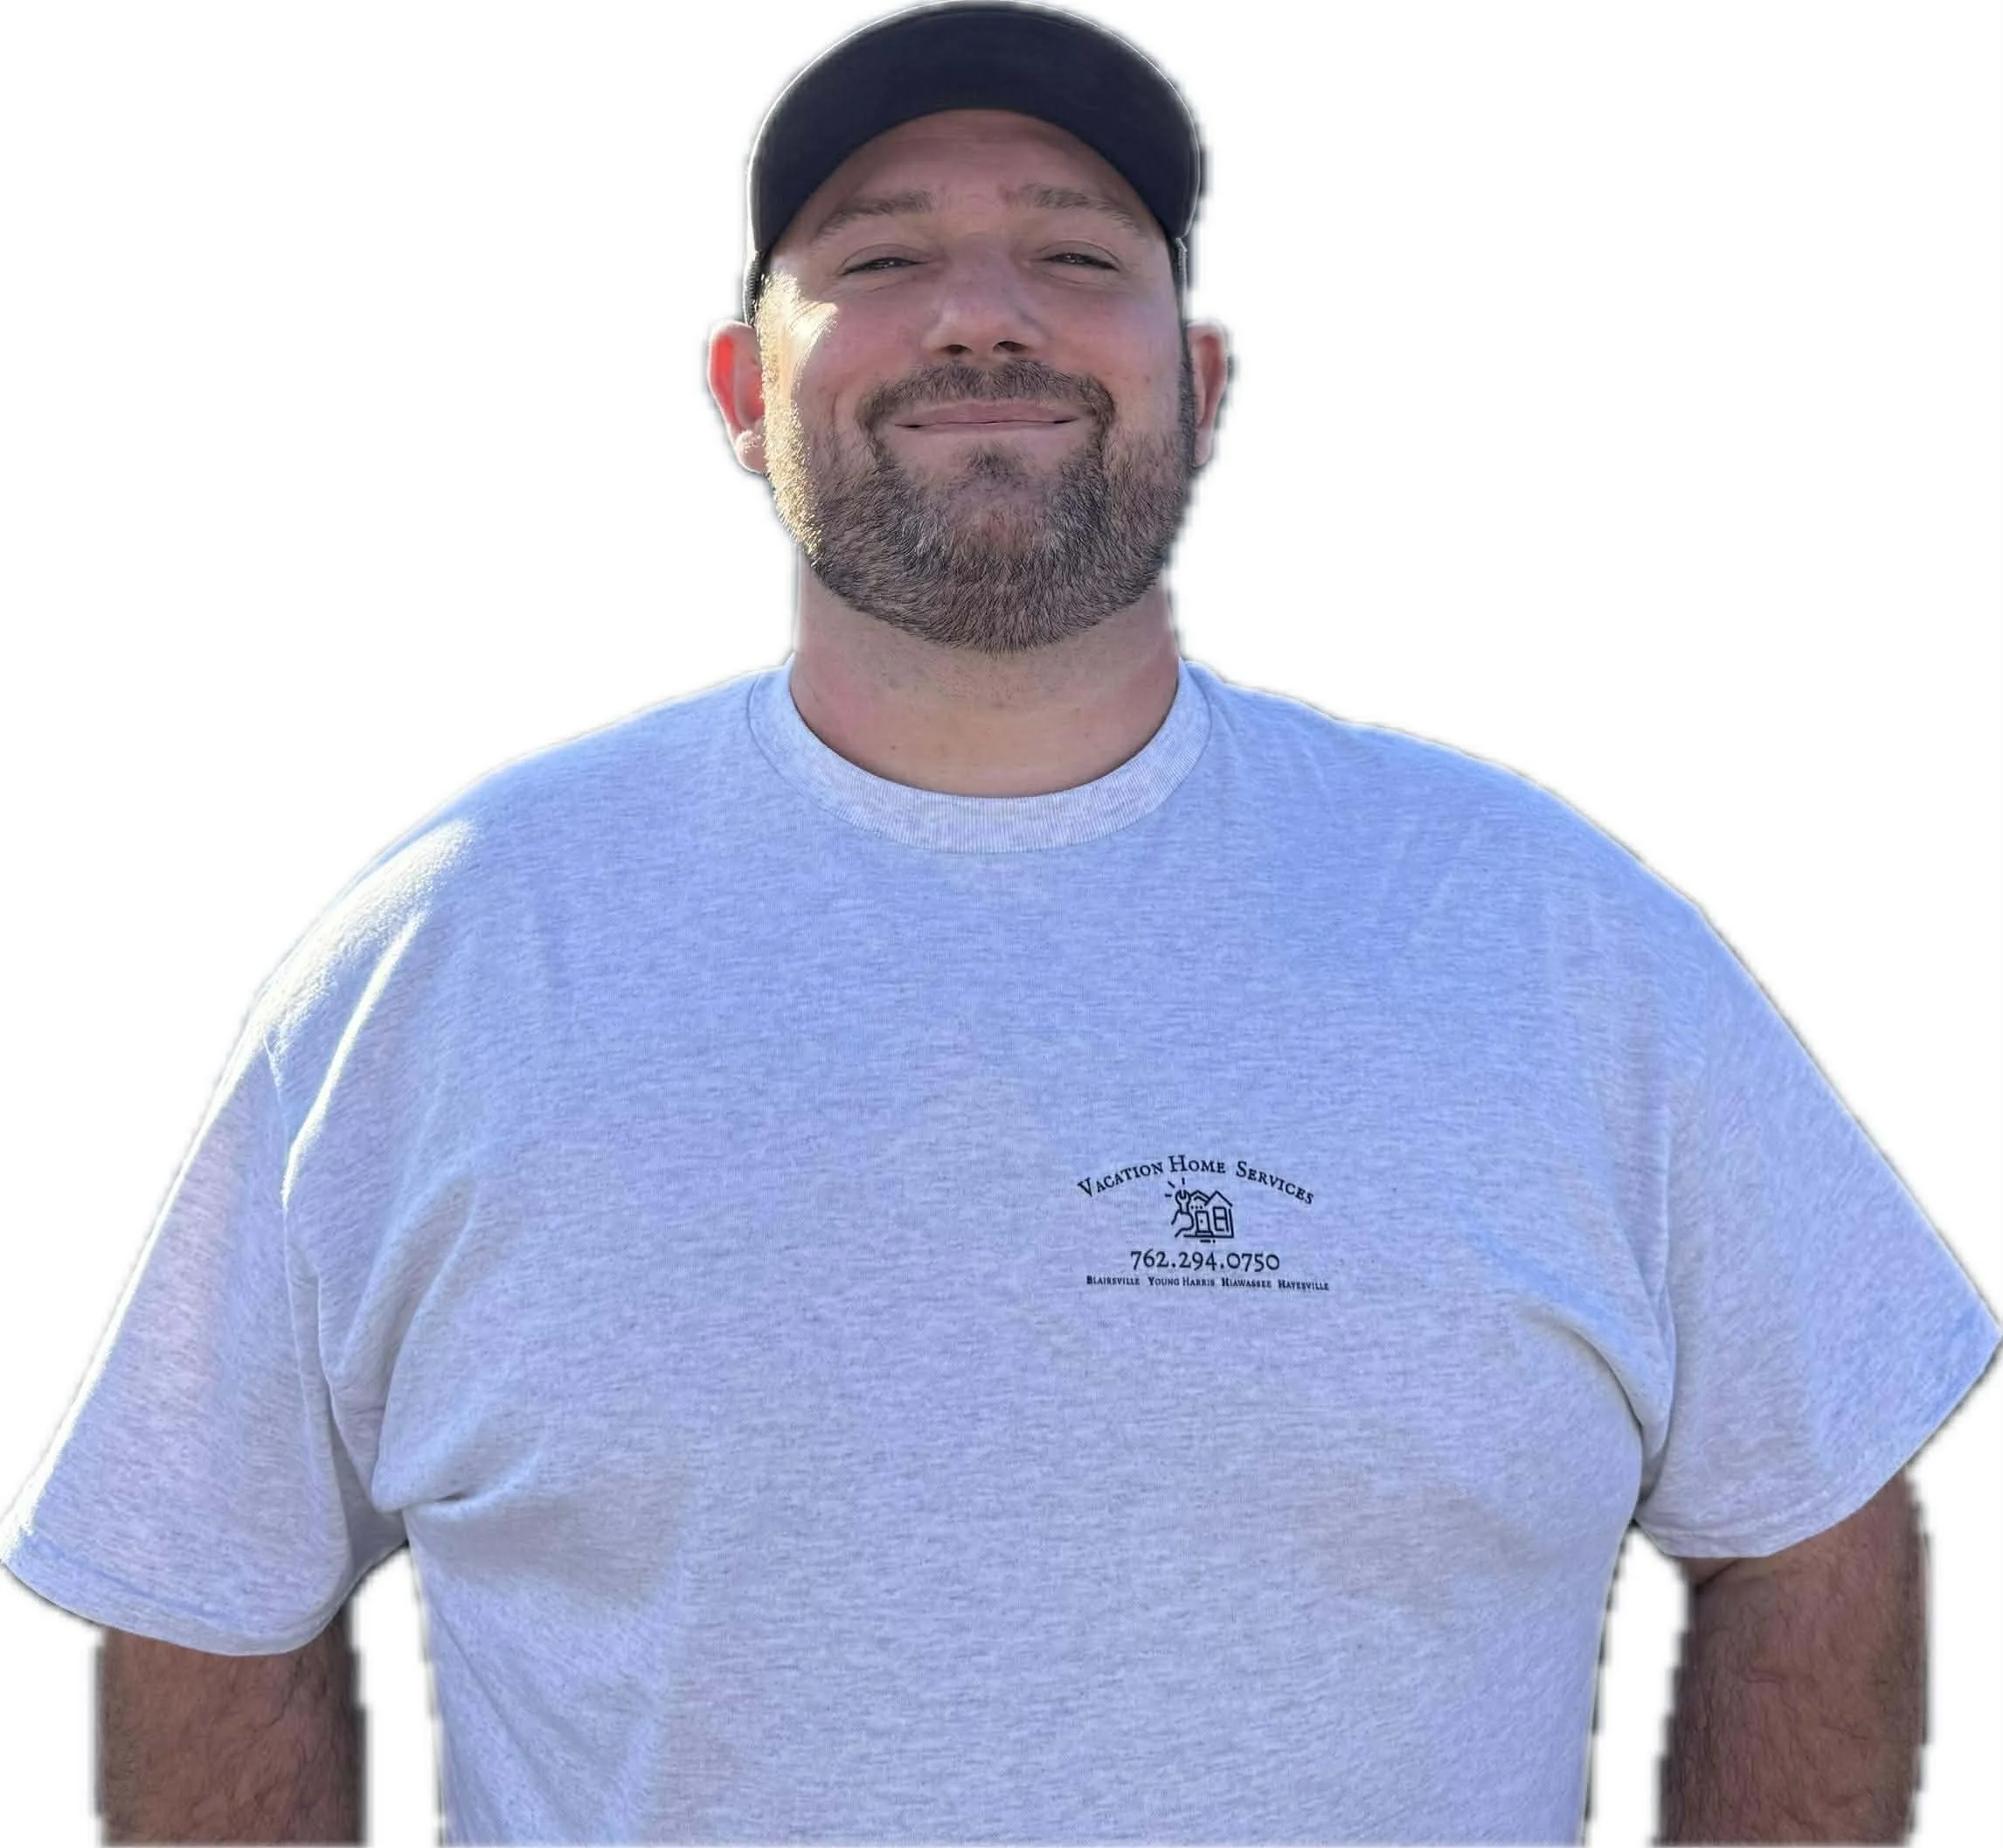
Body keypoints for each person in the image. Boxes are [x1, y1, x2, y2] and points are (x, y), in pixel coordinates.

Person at [3, 4, 1997, 1844]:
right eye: (880, 259)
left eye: (1077, 255)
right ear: (742, 390)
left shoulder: (1555, 939)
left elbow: (1812, 1514)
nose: (981, 316)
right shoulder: (446, 964)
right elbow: (205, 1592)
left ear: (1201, 384)